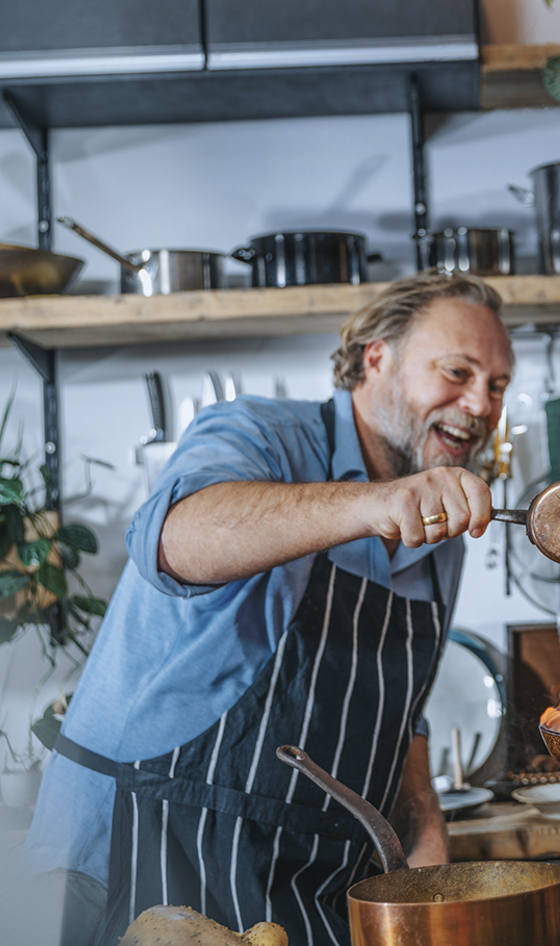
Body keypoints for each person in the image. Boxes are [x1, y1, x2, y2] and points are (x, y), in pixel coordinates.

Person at [24, 271, 515, 946]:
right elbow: (174, 538)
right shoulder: (259, 434)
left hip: (310, 882)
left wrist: (424, 827)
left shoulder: (442, 538)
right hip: (149, 849)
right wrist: (373, 503)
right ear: (377, 357)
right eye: (458, 371)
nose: (481, 404)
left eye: (497, 386)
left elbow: (398, 711)